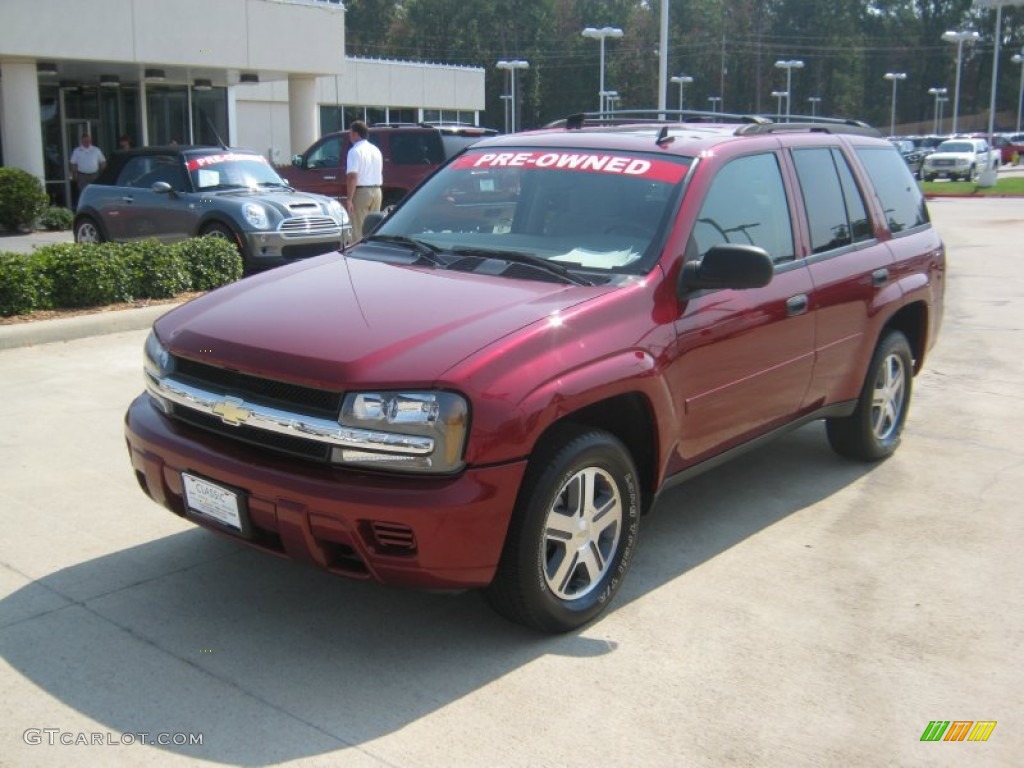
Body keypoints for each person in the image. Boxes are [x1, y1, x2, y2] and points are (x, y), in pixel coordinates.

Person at [345, 120, 383, 240]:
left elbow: (352, 176)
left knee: (358, 229)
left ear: (356, 134)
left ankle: (358, 255)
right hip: (377, 191)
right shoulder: (376, 150)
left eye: (350, 133)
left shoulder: (354, 151)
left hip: (362, 192)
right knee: (373, 228)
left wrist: (349, 199)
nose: (349, 135)